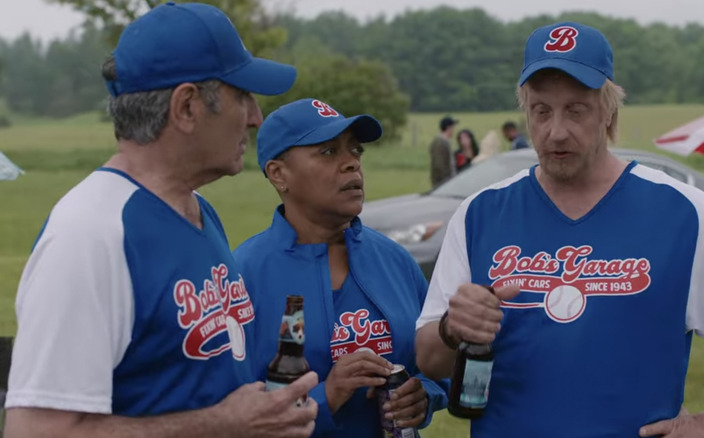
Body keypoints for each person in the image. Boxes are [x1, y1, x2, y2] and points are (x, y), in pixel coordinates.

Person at [415, 21, 704, 438]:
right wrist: (451, 329)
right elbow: (429, 359)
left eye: (576, 109)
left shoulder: (681, 211)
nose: (556, 131)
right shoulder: (480, 213)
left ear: (608, 110)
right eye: (541, 110)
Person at [4, 3, 318, 438]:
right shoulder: (91, 234)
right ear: (187, 107)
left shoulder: (198, 209)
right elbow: (35, 431)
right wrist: (223, 425)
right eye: (242, 95)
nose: (255, 118)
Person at [233, 98, 448, 437]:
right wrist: (325, 396)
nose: (352, 164)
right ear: (279, 174)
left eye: (356, 150)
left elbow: (437, 362)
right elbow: (227, 414)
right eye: (329, 152)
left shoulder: (394, 260)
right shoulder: (243, 275)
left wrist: (425, 394)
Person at [429, 115, 458, 188]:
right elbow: (439, 165)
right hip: (442, 183)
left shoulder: (445, 141)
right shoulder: (440, 142)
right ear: (448, 128)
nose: (454, 130)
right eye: (453, 128)